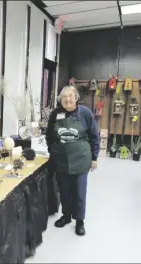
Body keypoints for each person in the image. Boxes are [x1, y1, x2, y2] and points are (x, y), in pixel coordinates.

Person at [46, 85, 100, 236]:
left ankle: (80, 221)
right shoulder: (56, 114)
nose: (67, 99)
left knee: (79, 192)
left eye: (70, 96)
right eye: (64, 97)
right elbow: (49, 135)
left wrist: (94, 158)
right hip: (61, 161)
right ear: (61, 100)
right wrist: (52, 151)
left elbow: (95, 136)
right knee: (64, 191)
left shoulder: (86, 113)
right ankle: (66, 216)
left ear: (76, 98)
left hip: (81, 161)